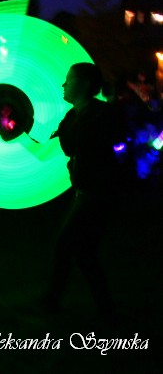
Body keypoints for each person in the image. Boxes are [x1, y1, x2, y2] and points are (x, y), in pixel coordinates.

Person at [43, 62, 125, 317]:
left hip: (98, 193)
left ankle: (52, 303)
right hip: (87, 191)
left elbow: (74, 144)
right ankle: (107, 310)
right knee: (84, 253)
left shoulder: (99, 115)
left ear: (86, 84)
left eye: (69, 79)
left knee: (64, 245)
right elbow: (62, 143)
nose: (64, 85)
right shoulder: (74, 115)